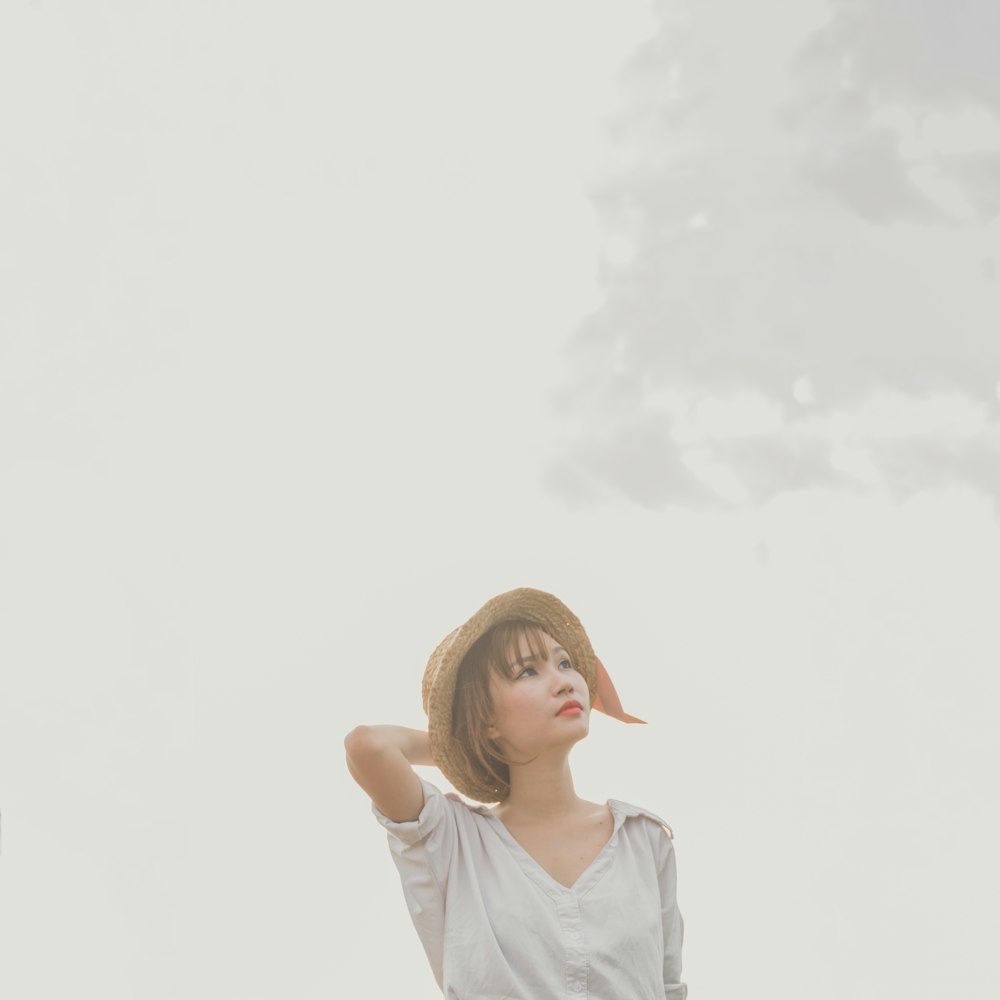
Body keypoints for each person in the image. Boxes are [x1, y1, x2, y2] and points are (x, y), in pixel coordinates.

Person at [344, 587, 687, 999]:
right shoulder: (452, 841)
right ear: (486, 718)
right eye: (528, 671)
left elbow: (669, 990)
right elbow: (369, 747)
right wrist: (466, 744)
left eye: (565, 663)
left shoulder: (643, 839)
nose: (563, 682)